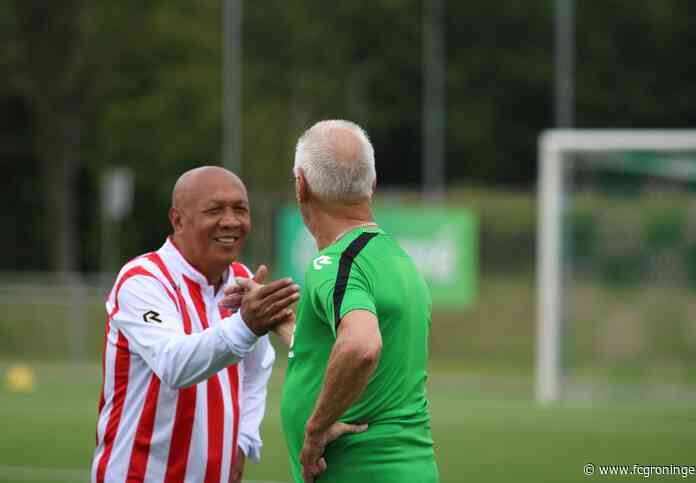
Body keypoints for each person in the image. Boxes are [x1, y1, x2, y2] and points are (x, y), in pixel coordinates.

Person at [91, 166, 298, 483]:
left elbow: (258, 367)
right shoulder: (143, 281)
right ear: (177, 219)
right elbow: (175, 364)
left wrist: (243, 439)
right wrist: (246, 324)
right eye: (215, 210)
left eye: (240, 209)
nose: (231, 221)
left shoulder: (241, 279)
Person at [281, 120, 439, 482]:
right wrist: (284, 325)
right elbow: (342, 357)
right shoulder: (398, 261)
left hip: (363, 471)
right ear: (372, 184)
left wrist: (315, 432)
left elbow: (361, 346)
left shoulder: (334, 264)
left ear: (301, 186)